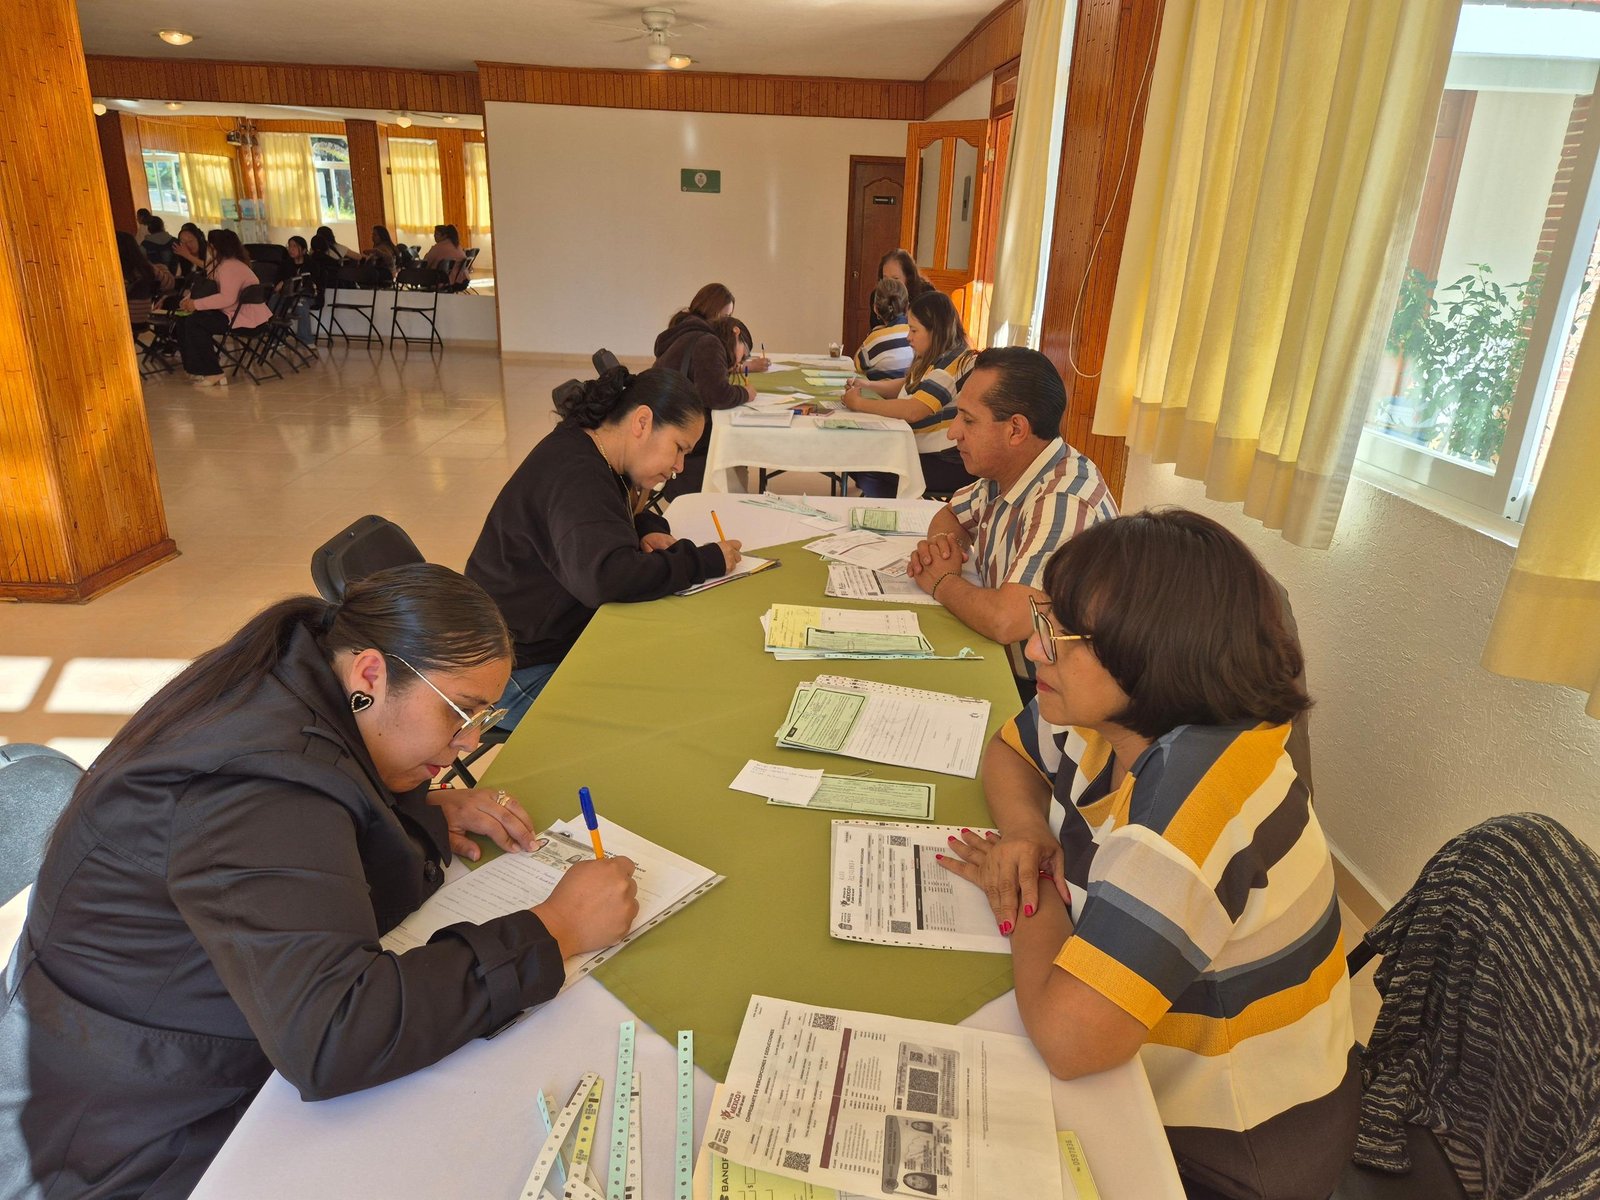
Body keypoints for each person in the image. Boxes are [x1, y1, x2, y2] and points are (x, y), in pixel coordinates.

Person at [0, 563, 641, 1199]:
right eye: (459, 713)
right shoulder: (255, 787)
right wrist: (552, 930)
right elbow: (334, 1034)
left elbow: (330, 803)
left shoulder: (300, 673)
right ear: (371, 674)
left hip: (158, 1042)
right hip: (123, 1130)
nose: (467, 745)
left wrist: (420, 809)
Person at [937, 509, 1356, 1200]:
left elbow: (1071, 1042)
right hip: (1159, 1076)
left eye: (1061, 635)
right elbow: (1010, 753)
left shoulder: (1194, 802)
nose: (1035, 650)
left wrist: (1027, 889)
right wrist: (1027, 832)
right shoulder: (1117, 714)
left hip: (1229, 1155)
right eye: (1045, 620)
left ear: (1154, 652)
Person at [466, 367, 741, 727]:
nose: (678, 466)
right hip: (512, 674)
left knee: (675, 660)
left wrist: (645, 529)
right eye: (679, 448)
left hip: (542, 642)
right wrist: (704, 561)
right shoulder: (576, 474)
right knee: (659, 713)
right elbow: (606, 578)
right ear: (642, 422)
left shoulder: (591, 449)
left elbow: (609, 516)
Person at [903, 347, 1116, 698]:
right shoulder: (1008, 469)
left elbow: (1007, 621)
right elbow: (950, 514)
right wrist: (945, 547)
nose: (953, 432)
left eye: (968, 420)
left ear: (1016, 429)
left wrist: (941, 580)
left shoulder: (1062, 500)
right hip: (1004, 661)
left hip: (1048, 694)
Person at [841, 290, 976, 498]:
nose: (908, 337)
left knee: (864, 459)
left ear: (935, 331)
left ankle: (893, 508)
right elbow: (909, 386)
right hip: (926, 451)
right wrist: (868, 385)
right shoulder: (940, 356)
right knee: (860, 455)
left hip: (947, 462)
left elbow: (913, 410)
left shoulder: (953, 366)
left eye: (914, 330)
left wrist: (858, 404)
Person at [652, 284, 757, 499]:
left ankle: (732, 495)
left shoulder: (687, 331)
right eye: (726, 316)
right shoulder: (708, 341)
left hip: (664, 417)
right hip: (677, 427)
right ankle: (727, 497)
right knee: (731, 436)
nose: (741, 360)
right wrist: (746, 393)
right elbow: (717, 395)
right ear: (735, 332)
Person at [176, 229, 272, 388]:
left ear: (214, 247)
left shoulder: (229, 267)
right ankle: (196, 368)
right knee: (184, 319)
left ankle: (213, 371)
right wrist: (188, 301)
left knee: (195, 322)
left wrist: (196, 304)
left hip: (245, 320)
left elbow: (227, 298)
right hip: (235, 315)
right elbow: (207, 287)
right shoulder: (224, 264)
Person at [853, 277, 913, 384]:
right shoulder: (914, 333)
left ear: (875, 309)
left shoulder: (876, 337)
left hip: (880, 392)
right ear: (907, 307)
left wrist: (871, 335)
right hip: (906, 391)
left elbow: (858, 365)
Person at [115, 230, 157, 333]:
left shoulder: (119, 272)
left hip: (125, 320)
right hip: (145, 318)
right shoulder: (145, 267)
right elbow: (168, 284)